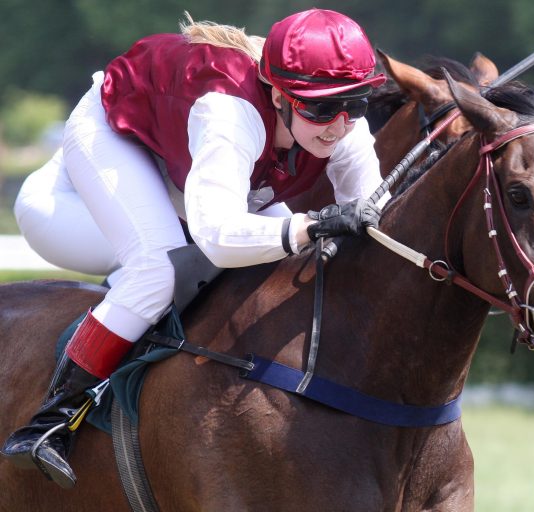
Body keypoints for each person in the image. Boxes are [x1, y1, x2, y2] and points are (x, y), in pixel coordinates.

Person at [1, 8, 387, 489]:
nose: (339, 124)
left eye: (356, 102)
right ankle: (50, 421)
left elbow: (375, 220)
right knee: (158, 270)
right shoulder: (230, 112)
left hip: (182, 150)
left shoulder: (346, 129)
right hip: (115, 131)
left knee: (290, 255)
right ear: (277, 93)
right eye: (321, 109)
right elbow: (220, 238)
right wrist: (315, 225)